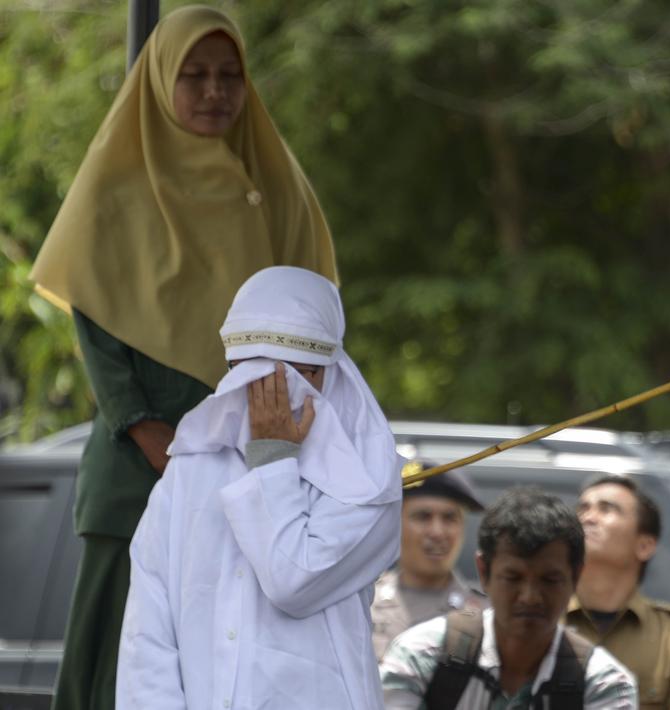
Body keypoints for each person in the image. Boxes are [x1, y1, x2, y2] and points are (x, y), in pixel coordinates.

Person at [29, 6, 336, 708]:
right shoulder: (115, 189)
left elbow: (305, 325)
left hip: (247, 456)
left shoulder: (275, 188)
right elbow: (96, 328)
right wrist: (145, 430)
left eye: (229, 75)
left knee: (229, 657)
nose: (213, 91)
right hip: (138, 458)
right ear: (160, 81)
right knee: (114, 657)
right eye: (193, 75)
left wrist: (267, 442)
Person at [116, 267, 401, 709]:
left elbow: (293, 581)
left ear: (327, 372)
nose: (266, 395)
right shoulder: (192, 469)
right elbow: (149, 632)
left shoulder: (367, 482)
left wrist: (271, 461)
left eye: (288, 376)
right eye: (251, 376)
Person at [381, 486, 638, 709]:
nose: (530, 597)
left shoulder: (604, 684)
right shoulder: (421, 657)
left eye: (549, 580)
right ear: (484, 571)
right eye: (513, 578)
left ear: (576, 576)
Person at [567, 475, 670, 710]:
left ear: (644, 546)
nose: (588, 518)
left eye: (606, 509)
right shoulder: (542, 623)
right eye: (583, 508)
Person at [371, 464, 488, 658]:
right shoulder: (363, 605)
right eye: (423, 517)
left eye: (450, 518)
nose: (437, 532)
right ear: (394, 524)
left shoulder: (484, 615)